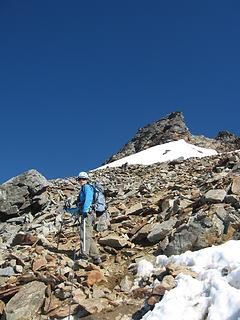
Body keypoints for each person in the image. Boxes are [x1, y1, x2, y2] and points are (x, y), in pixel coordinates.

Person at [66, 171, 102, 265]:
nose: (81, 180)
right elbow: (79, 208)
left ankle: (84, 256)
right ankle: (96, 257)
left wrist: (85, 211)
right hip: (88, 213)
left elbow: (89, 199)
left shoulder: (86, 187)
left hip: (88, 213)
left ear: (87, 179)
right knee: (88, 235)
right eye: (80, 179)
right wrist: (68, 210)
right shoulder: (83, 189)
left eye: (83, 179)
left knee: (84, 234)